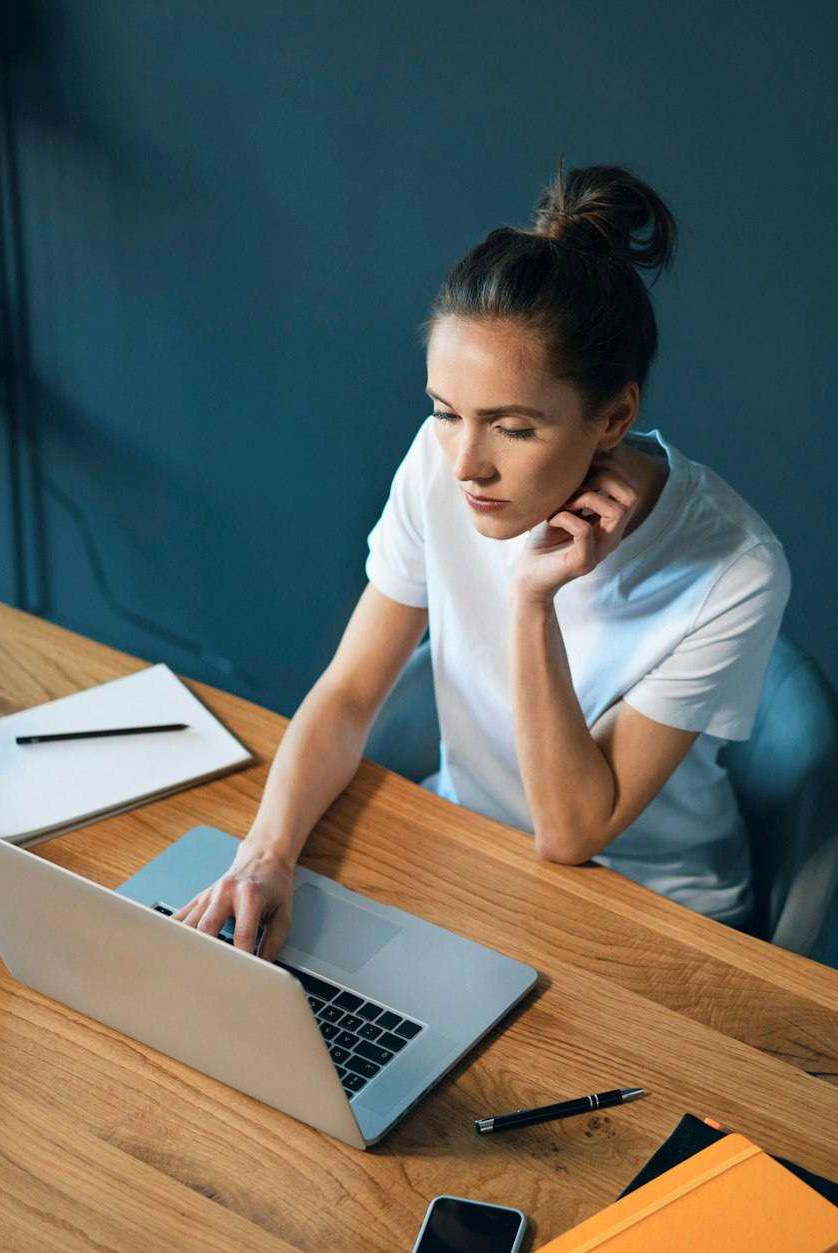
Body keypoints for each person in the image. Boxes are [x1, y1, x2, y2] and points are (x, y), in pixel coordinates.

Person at [176, 163, 791, 956]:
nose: (467, 463)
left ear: (615, 415)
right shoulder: (443, 467)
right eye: (445, 411)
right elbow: (351, 693)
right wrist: (262, 854)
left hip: (655, 913)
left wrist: (532, 602)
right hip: (472, 855)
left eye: (514, 427)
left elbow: (572, 831)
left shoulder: (735, 566)